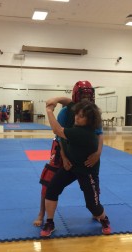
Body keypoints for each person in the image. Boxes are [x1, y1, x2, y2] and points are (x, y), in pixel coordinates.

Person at [33, 81, 103, 226]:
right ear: (77, 96)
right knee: (49, 180)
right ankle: (42, 213)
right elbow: (59, 135)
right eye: (83, 96)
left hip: (82, 152)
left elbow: (99, 134)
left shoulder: (92, 112)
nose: (86, 99)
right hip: (62, 146)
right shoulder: (66, 112)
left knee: (91, 185)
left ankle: (95, 209)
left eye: (89, 96)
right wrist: (64, 157)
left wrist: (98, 153)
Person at [40, 100, 110, 237]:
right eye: (77, 114)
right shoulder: (75, 128)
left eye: (81, 116)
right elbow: (63, 143)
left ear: (89, 120)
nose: (77, 117)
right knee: (51, 190)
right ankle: (50, 222)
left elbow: (57, 130)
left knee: (93, 206)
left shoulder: (84, 134)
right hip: (71, 166)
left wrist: (49, 110)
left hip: (86, 171)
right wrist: (65, 158)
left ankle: (104, 219)